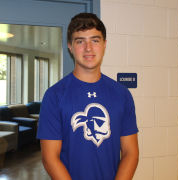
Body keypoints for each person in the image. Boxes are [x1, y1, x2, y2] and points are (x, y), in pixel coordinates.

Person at [36, 13, 139, 180]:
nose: (88, 48)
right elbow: (49, 158)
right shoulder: (54, 96)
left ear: (105, 44)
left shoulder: (122, 95)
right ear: (70, 46)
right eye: (80, 41)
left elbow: (130, 153)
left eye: (95, 40)